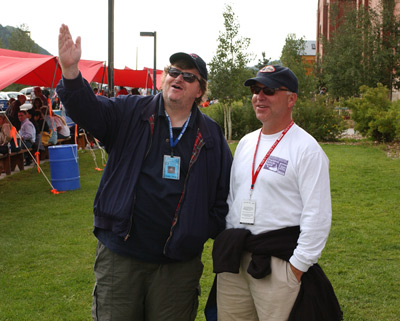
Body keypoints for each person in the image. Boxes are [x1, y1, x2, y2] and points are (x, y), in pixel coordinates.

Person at [56, 24, 232, 321]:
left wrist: (198, 230)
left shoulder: (211, 137)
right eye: (174, 71)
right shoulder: (129, 112)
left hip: (177, 266)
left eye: (189, 76)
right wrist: (71, 72)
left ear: (199, 90)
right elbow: (88, 111)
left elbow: (222, 194)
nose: (178, 78)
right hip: (121, 256)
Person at [212, 65, 342, 321]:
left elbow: (317, 214)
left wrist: (297, 268)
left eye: (269, 90)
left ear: (291, 98)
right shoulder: (246, 143)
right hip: (236, 260)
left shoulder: (307, 149)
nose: (259, 96)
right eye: (255, 89)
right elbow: (233, 197)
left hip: (279, 263)